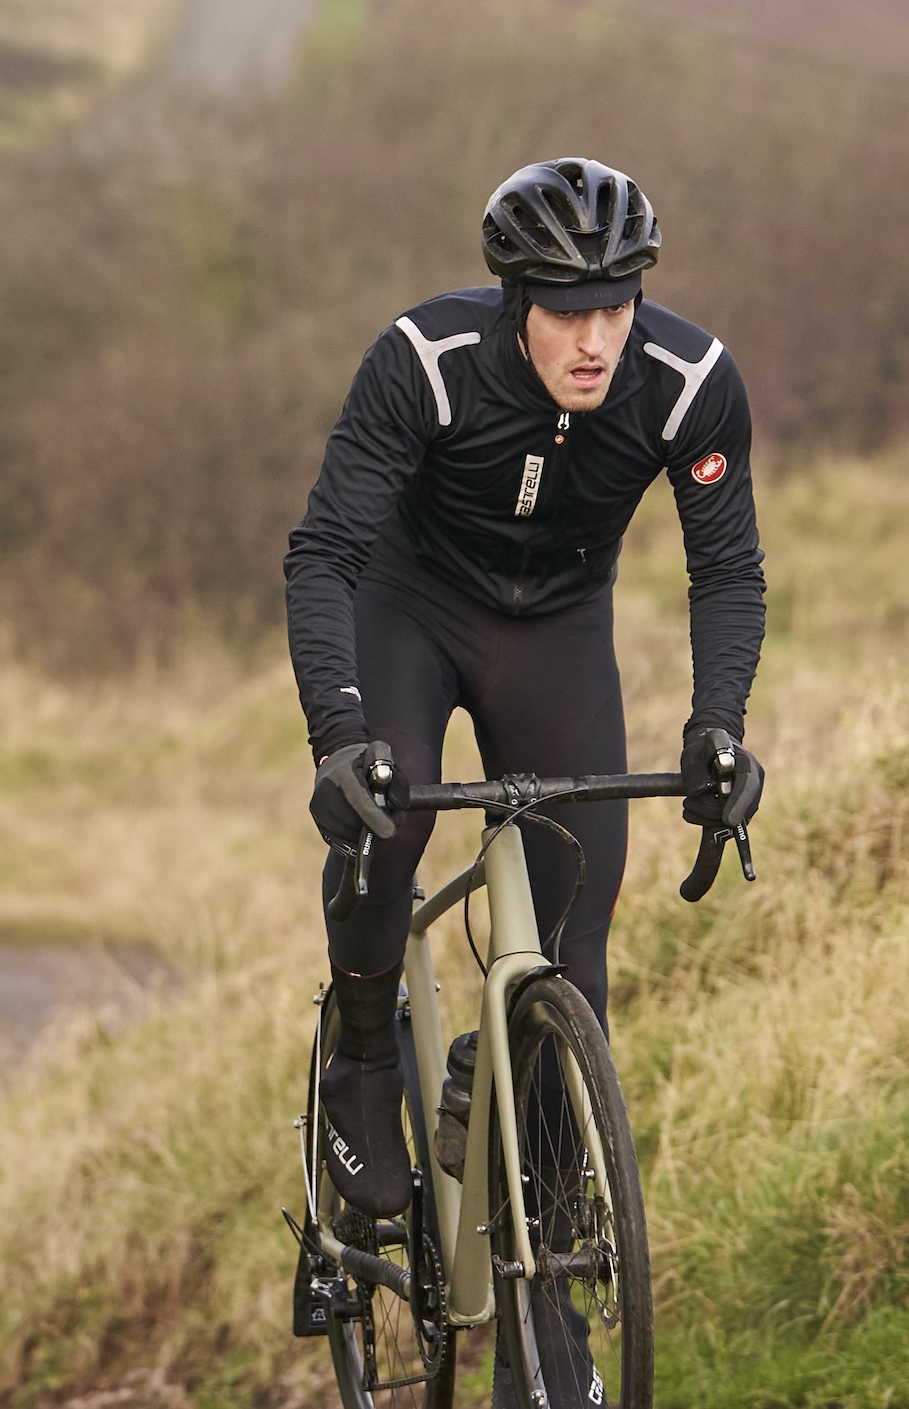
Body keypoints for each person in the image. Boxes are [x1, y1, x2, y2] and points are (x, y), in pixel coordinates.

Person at [283, 157, 771, 1263]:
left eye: (616, 305)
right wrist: (338, 735)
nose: (595, 338)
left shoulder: (691, 383)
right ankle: (365, 1049)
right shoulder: (427, 361)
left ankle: (552, 1258)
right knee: (389, 813)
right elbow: (324, 553)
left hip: (555, 631)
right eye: (566, 311)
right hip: (410, 607)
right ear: (517, 304)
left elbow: (727, 571)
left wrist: (719, 724)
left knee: (574, 944)